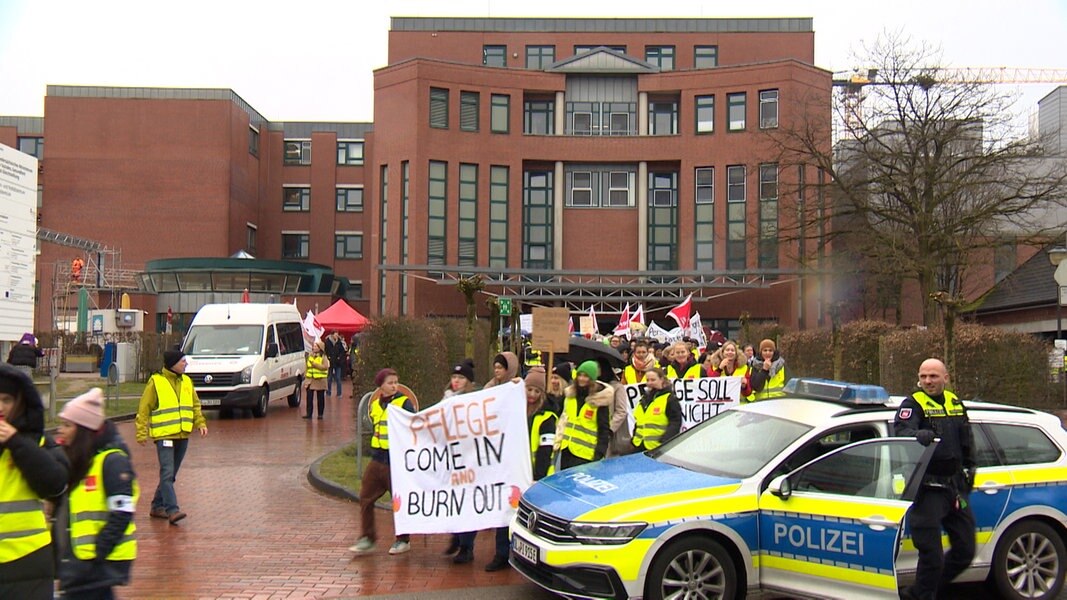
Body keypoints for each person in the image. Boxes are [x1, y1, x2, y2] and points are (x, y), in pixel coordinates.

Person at [895, 358, 976, 600]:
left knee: (965, 550)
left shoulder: (955, 403)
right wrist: (917, 434)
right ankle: (923, 595)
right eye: (923, 377)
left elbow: (967, 440)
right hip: (927, 488)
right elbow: (901, 431)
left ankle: (923, 591)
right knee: (932, 556)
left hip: (954, 488)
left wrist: (970, 470)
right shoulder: (913, 403)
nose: (927, 381)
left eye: (933, 376)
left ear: (946, 378)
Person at [56, 388, 138, 599]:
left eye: (67, 425)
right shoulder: (81, 461)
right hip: (83, 564)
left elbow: (122, 512)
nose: (60, 430)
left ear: (83, 429)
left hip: (96, 564)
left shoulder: (112, 461)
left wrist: (98, 552)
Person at [0, 363, 69, 599]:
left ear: (20, 403)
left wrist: (16, 442)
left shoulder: (38, 443)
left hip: (27, 562)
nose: (0, 407)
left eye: (6, 400)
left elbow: (56, 484)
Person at [484, 367, 556, 572]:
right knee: (504, 513)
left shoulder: (547, 417)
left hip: (533, 475)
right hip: (510, 471)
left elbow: (545, 450)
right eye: (529, 390)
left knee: (527, 519)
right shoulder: (515, 409)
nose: (532, 395)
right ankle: (501, 553)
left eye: (536, 391)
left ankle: (528, 556)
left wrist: (537, 477)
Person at [135, 349, 208, 525]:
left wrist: (201, 423)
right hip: (165, 436)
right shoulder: (156, 382)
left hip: (183, 435)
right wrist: (141, 432)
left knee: (171, 474)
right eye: (183, 361)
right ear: (173, 363)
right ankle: (172, 510)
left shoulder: (187, 382)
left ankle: (156, 506)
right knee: (167, 473)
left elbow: (195, 405)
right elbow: (144, 409)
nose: (186, 364)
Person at [350, 368, 414, 556]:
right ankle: (367, 538)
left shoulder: (404, 403)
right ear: (380, 386)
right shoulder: (376, 405)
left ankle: (403, 539)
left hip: (395, 461)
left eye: (396, 382)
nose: (394, 386)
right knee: (365, 497)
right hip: (377, 458)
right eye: (390, 383)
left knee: (398, 501)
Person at [442, 359, 477, 565]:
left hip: (470, 460)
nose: (456, 381)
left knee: (467, 502)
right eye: (454, 377)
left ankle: (466, 546)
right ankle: (456, 537)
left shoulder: (473, 401)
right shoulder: (447, 398)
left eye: (461, 378)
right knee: (455, 500)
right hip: (452, 457)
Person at [557, 361, 614, 469]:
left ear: (592, 378)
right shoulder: (570, 396)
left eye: (586, 376)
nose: (582, 379)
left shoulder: (599, 400)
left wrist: (599, 454)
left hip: (586, 454)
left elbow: (604, 430)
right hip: (566, 449)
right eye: (580, 375)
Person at [631, 367, 682, 452]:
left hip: (657, 447)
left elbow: (675, 423)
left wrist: (665, 440)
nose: (649, 383)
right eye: (647, 380)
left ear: (661, 379)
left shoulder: (669, 398)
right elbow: (640, 422)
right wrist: (633, 439)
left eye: (653, 380)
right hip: (638, 445)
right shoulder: (644, 399)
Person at [303, 340, 329, 419]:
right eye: (313, 346)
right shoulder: (310, 356)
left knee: (320, 398)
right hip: (311, 380)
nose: (313, 347)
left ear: (320, 348)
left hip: (320, 380)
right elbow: (307, 367)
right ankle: (309, 414)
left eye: (315, 346)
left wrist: (315, 364)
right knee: (309, 398)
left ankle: (320, 414)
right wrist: (306, 379)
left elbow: (325, 367)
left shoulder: (323, 357)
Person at [324, 331, 347, 398]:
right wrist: (328, 357)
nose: (336, 336)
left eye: (337, 335)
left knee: (338, 378)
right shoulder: (327, 342)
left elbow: (342, 351)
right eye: (335, 334)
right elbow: (326, 351)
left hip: (338, 363)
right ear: (332, 335)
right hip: (330, 362)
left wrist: (339, 358)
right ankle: (328, 392)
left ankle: (339, 393)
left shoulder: (339, 342)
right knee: (329, 378)